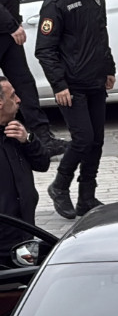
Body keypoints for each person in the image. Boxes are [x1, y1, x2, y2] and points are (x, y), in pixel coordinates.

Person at [35, 0, 115, 220]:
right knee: (83, 140)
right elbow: (44, 50)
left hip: (95, 81)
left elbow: (101, 36)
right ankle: (60, 186)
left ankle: (87, 197)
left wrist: (109, 67)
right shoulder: (56, 2)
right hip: (72, 86)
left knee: (97, 142)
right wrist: (59, 85)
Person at [0, 0, 66, 157]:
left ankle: (42, 137)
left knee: (24, 85)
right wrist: (9, 24)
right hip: (4, 28)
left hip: (7, 29)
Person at [0, 76, 49, 245]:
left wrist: (28, 140)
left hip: (25, 231)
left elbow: (43, 164)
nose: (19, 100)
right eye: (13, 96)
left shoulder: (16, 131)